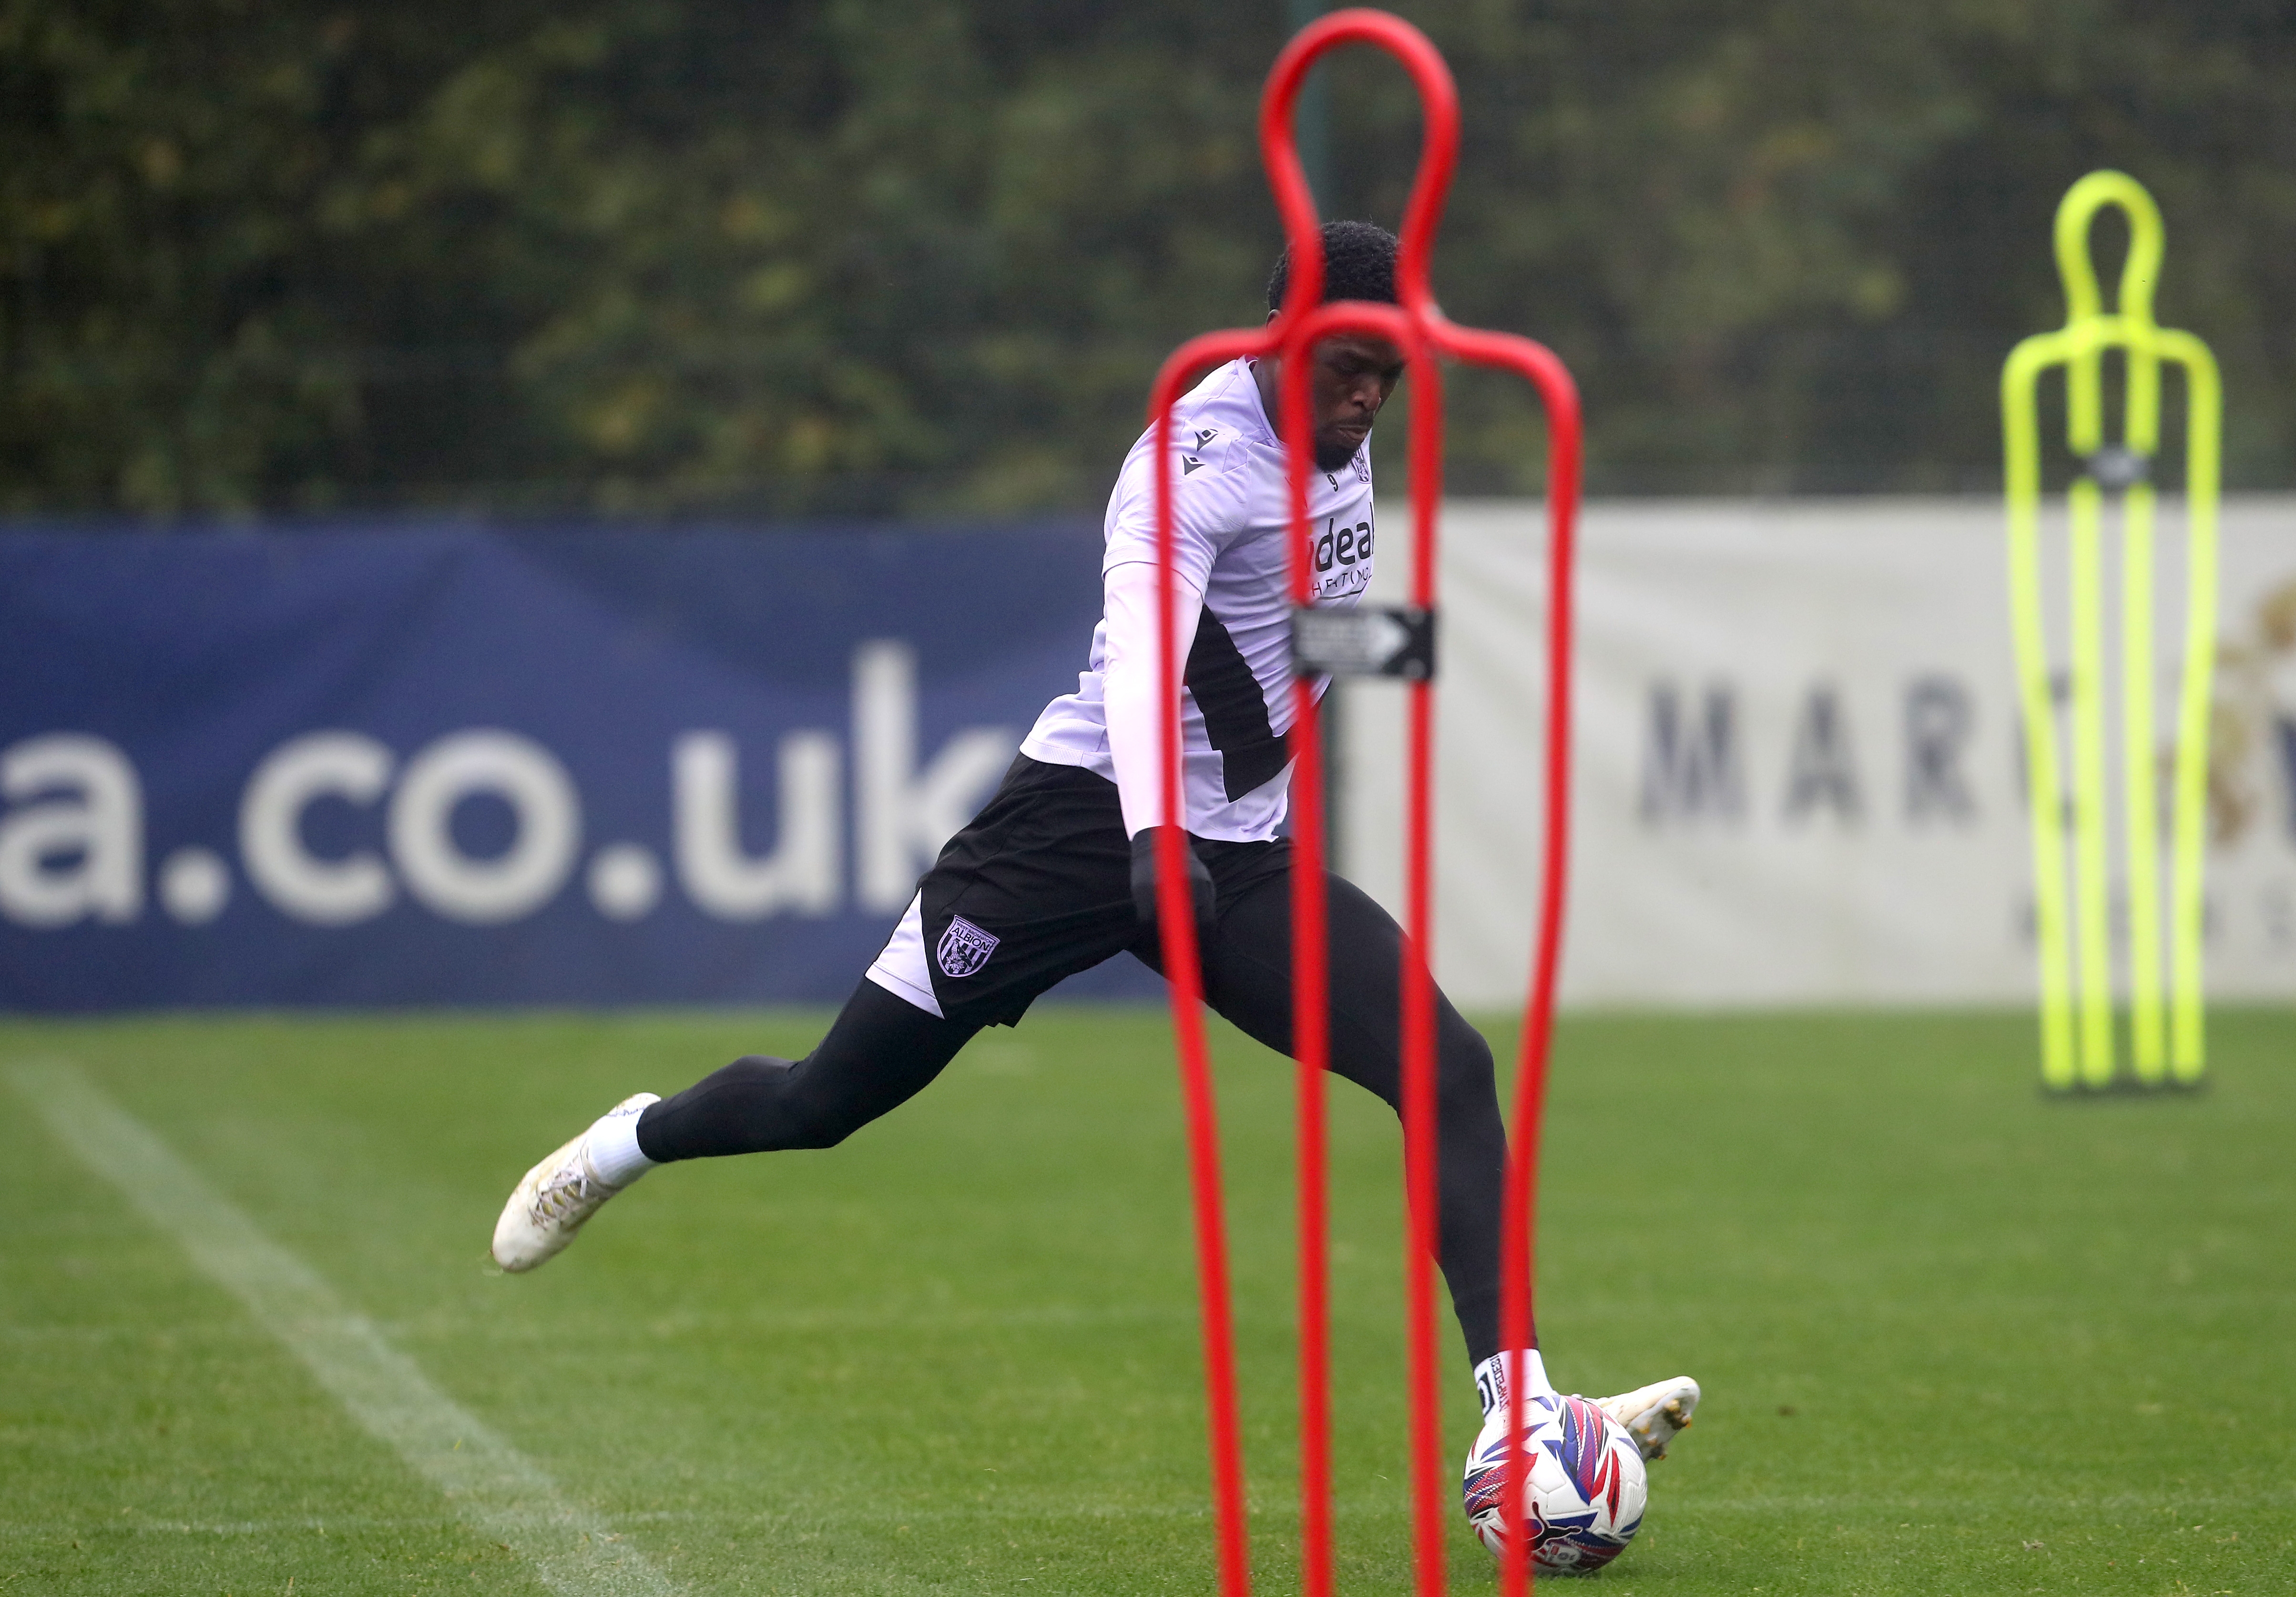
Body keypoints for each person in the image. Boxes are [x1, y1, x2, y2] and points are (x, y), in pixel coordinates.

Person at [490, 219, 1697, 1499]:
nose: (1366, 392)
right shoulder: (1195, 460)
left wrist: (1425, 654)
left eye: (1387, 371)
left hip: (1236, 859)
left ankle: (1521, 1416)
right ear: (1280, 343)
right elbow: (1140, 652)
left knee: (1445, 1065)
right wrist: (1149, 833)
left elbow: (1292, 639)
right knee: (823, 1103)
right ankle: (629, 1143)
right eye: (1346, 363)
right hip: (1079, 826)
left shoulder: (1345, 444)